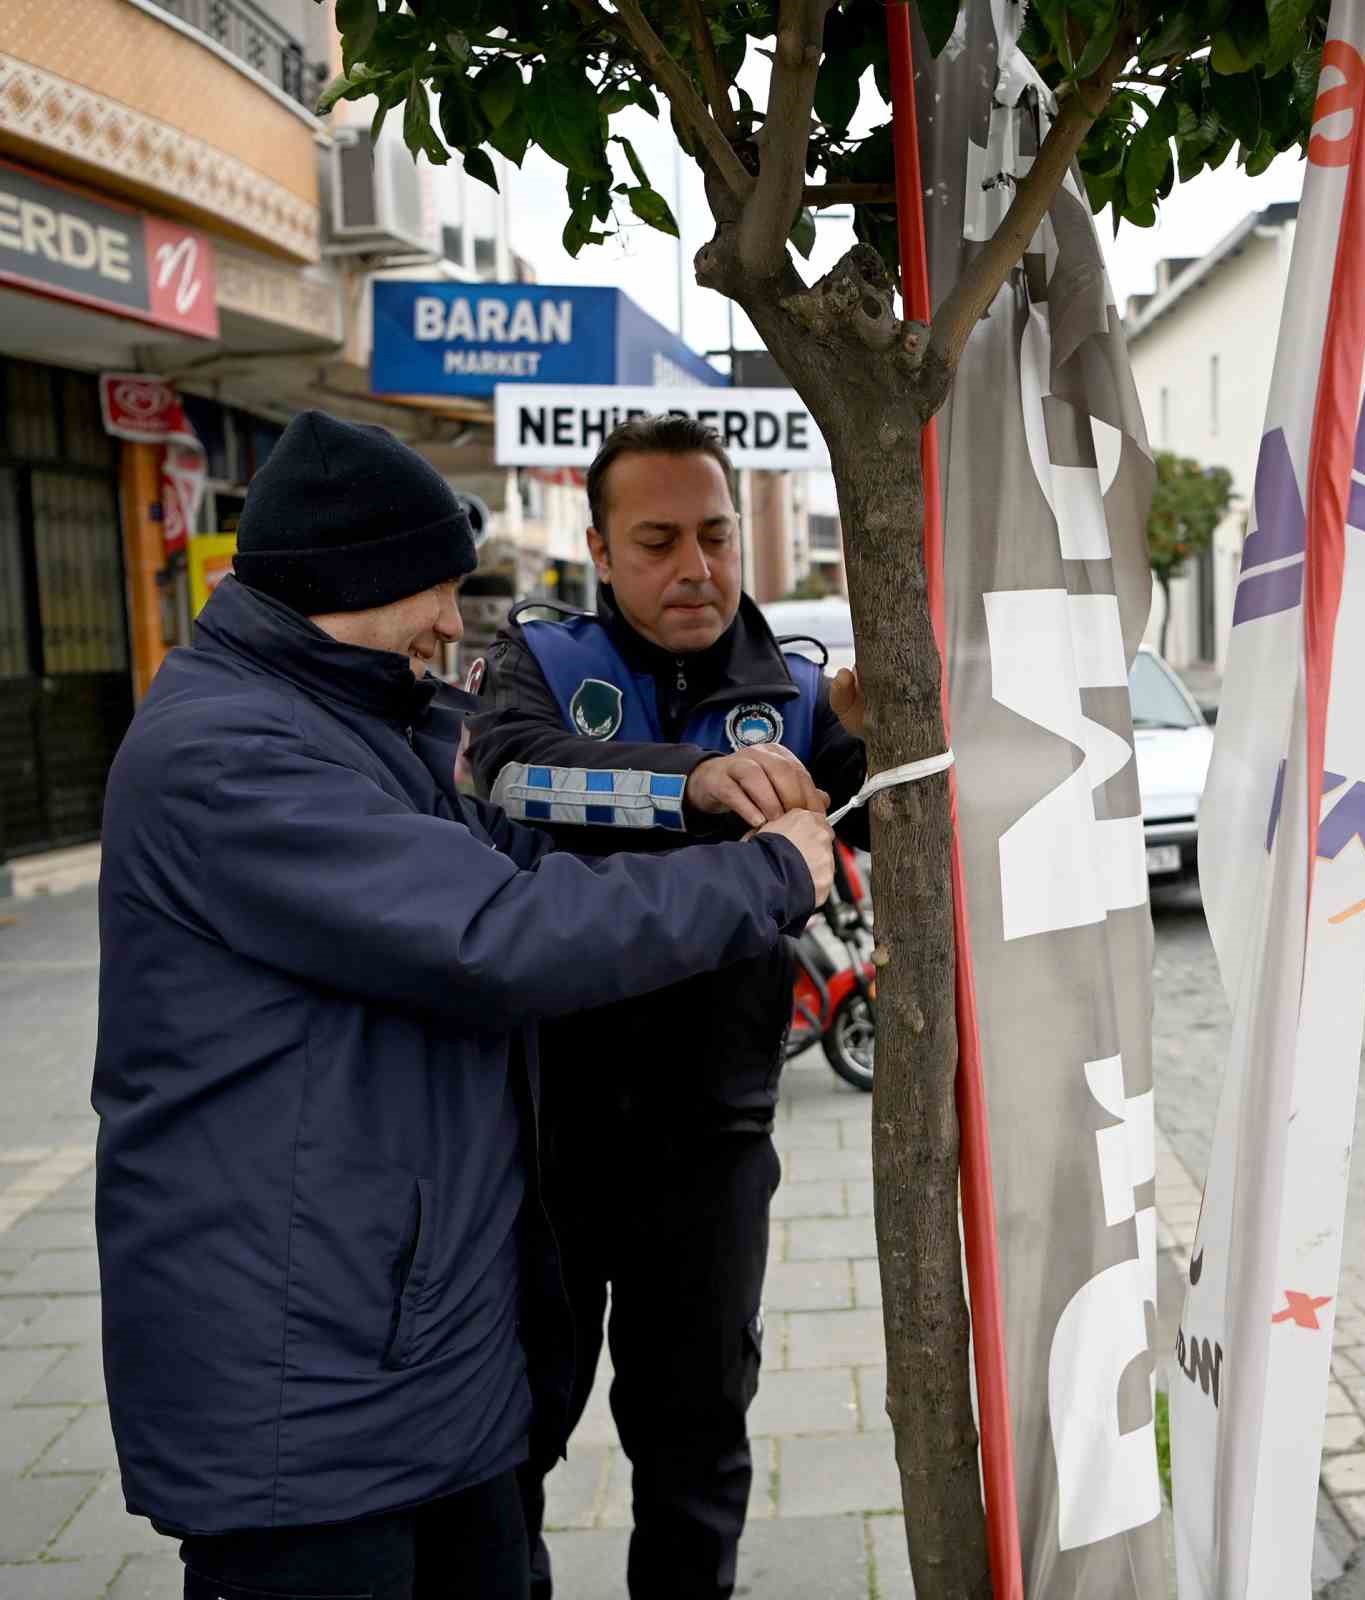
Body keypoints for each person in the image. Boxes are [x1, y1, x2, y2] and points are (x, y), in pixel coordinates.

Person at [91, 410, 835, 1600]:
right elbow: (495, 931)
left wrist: (726, 790)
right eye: (433, 592)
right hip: (305, 1384)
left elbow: (520, 821)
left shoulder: (379, 716)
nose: (453, 622)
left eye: (715, 534)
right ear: (344, 586)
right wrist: (765, 869)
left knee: (683, 1458)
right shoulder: (229, 757)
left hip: (421, 1336)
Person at [465, 414, 869, 1600]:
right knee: (510, 1438)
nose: (694, 567)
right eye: (657, 541)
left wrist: (888, 719)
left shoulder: (800, 692)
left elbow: (895, 814)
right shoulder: (544, 663)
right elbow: (511, 770)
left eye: (714, 534)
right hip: (543, 1141)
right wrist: (690, 780)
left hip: (715, 1143)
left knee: (696, 1449)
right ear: (598, 546)